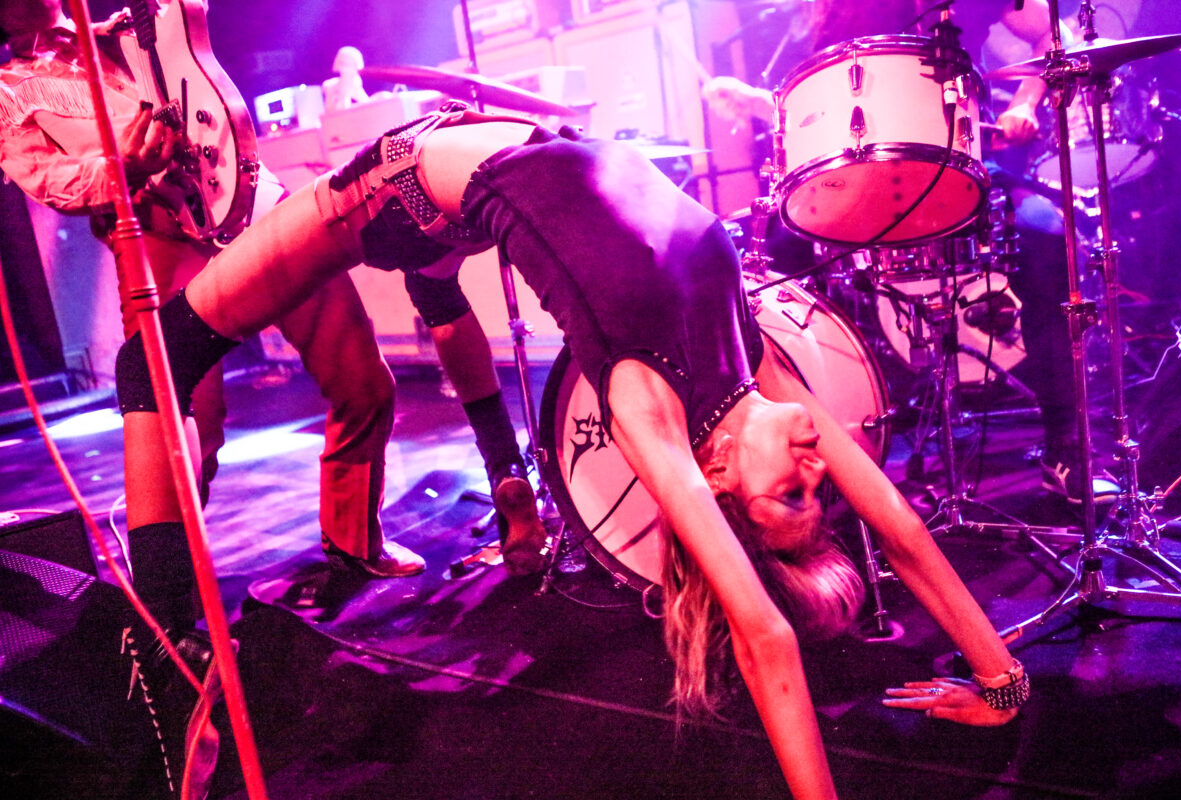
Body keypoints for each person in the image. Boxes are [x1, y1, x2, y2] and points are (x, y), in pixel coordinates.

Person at [113, 99, 1030, 799]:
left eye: (792, 499)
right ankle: (505, 469)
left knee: (148, 361)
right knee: (439, 298)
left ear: (716, 480)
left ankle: (159, 664)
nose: (818, 472)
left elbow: (765, 636)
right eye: (818, 492)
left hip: (390, 187)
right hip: (483, 164)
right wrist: (999, 682)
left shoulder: (648, 398)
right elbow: (901, 526)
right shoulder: (756, 381)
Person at [0, 2, 542, 796]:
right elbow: (55, 182)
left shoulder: (127, 26)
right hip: (152, 236)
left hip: (252, 205)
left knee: (365, 381)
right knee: (188, 425)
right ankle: (169, 616)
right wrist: (125, 166)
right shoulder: (11, 92)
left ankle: (351, 541)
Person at [703, 0, 1120, 505]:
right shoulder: (832, 12)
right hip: (856, 185)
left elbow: (1048, 35)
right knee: (763, 269)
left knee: (1049, 238)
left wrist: (1024, 103)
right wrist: (756, 102)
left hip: (963, 167)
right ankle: (792, 456)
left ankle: (1066, 449)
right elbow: (815, 108)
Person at [322, 45, 369, 112]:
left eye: (347, 64)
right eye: (342, 63)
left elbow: (366, 104)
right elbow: (329, 110)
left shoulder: (355, 83)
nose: (343, 68)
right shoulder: (329, 85)